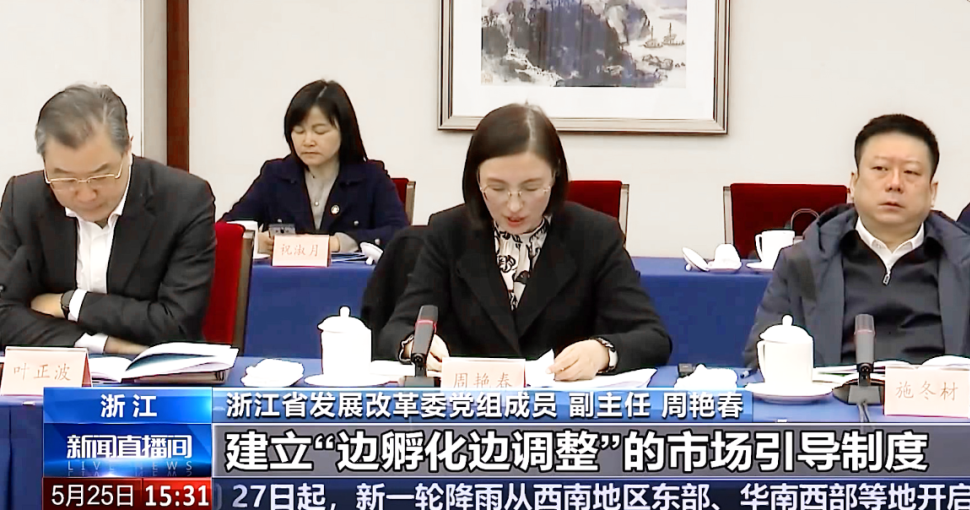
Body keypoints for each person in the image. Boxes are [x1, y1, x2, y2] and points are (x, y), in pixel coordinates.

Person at [379, 104, 671, 380]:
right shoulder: (448, 232)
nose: (514, 206)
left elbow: (652, 336)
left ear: (555, 175)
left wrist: (602, 353)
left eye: (531, 188)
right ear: (476, 180)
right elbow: (395, 329)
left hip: (558, 407)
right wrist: (415, 344)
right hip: (470, 404)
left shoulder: (594, 235)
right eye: (497, 188)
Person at [743, 114, 970, 374]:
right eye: (880, 169)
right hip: (836, 411)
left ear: (932, 191)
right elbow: (761, 361)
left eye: (911, 172)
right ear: (853, 183)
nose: (895, 183)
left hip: (940, 411)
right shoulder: (803, 260)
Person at [0, 84, 217, 353]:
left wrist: (71, 303)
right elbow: (4, 312)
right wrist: (102, 344)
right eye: (65, 179)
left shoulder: (183, 200)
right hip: (61, 366)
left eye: (101, 176)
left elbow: (177, 323)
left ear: (128, 149)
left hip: (155, 370)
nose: (85, 195)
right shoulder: (23, 200)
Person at [222, 80, 408, 253]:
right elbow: (226, 229)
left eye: (320, 131)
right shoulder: (275, 176)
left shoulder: (371, 177)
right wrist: (254, 240)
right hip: (286, 276)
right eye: (299, 131)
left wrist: (337, 243)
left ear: (344, 132)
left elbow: (400, 233)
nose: (308, 141)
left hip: (349, 276)